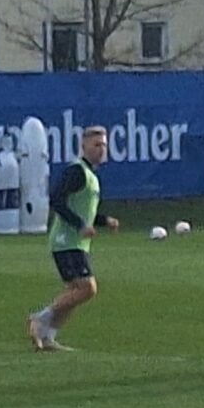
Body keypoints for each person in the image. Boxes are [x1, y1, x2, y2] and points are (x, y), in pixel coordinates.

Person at [29, 126, 121, 350]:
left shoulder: (91, 176)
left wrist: (103, 220)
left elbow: (83, 211)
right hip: (65, 242)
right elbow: (57, 199)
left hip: (76, 242)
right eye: (96, 145)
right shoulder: (77, 171)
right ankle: (40, 318)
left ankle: (48, 337)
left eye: (104, 145)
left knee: (74, 293)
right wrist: (79, 225)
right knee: (87, 289)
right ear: (84, 146)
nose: (101, 149)